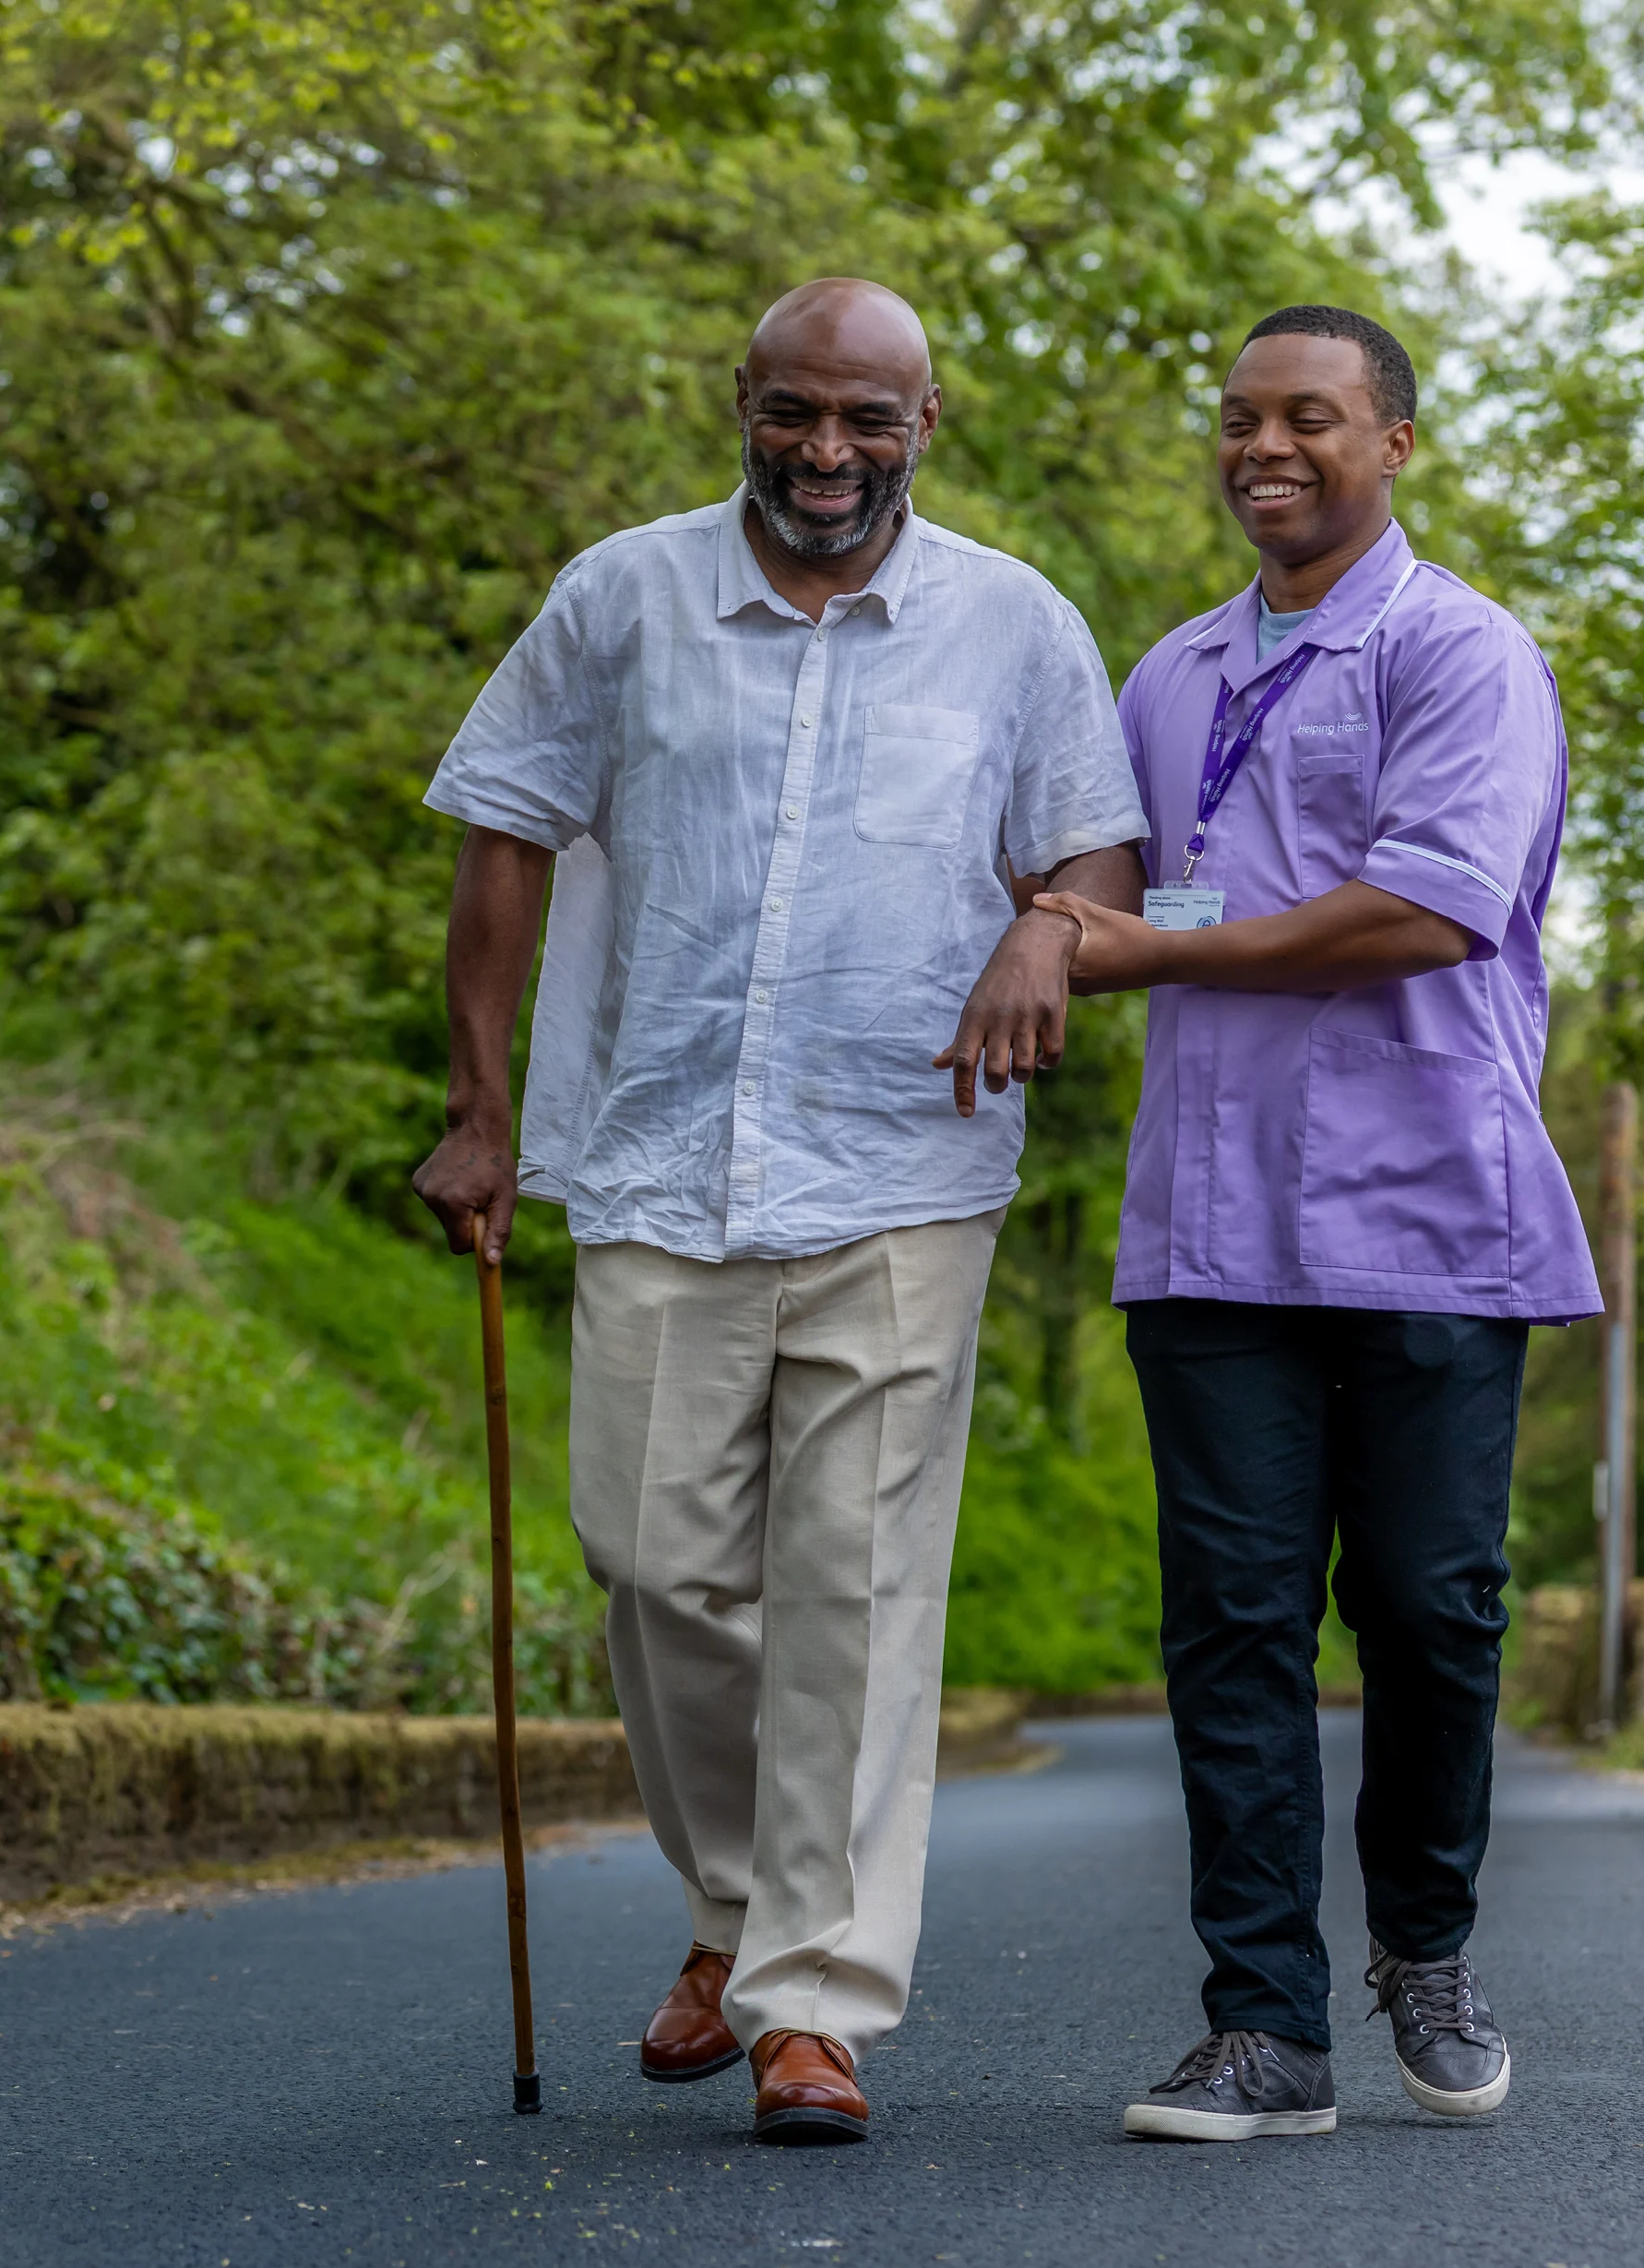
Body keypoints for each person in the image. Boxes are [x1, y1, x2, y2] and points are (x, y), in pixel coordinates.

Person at [412, 278, 1148, 2144]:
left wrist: (1041, 926)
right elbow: (503, 827)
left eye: (865, 421)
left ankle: (808, 2000)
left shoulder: (1013, 624)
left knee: (858, 1590)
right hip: (657, 1158)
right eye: (794, 412)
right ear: (738, 399)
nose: (826, 451)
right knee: (650, 1564)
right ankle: (733, 1904)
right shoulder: (622, 597)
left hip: (903, 1170)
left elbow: (1094, 851)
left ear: (925, 426)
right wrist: (479, 1111)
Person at [1034, 304, 1602, 2142]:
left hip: (1427, 1209)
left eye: (1307, 418)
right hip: (1208, 1224)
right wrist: (1054, 923)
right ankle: (1261, 2024)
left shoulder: (1463, 654)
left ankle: (1420, 1945)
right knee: (1232, 1621)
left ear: (1391, 445)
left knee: (1430, 1610)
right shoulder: (1168, 671)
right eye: (1234, 419)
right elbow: (1124, 895)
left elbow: (1416, 915)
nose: (1262, 446)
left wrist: (1130, 942)